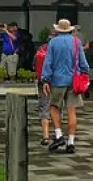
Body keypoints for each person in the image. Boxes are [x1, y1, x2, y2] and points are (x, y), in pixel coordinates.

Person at [40, 18, 90, 154]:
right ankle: (71, 142)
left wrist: (45, 80)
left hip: (57, 80)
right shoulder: (76, 42)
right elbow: (84, 63)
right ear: (70, 30)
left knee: (54, 107)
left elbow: (48, 62)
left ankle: (58, 135)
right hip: (73, 80)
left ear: (57, 30)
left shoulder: (53, 43)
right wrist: (84, 75)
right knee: (71, 110)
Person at [33, 35, 52, 145]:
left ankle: (45, 135)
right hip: (55, 82)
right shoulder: (54, 53)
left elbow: (34, 65)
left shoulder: (39, 52)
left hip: (42, 82)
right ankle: (58, 133)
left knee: (44, 107)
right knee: (56, 107)